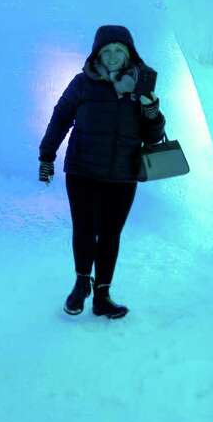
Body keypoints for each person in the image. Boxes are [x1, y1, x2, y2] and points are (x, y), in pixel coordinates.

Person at [38, 24, 165, 318]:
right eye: (106, 51)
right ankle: (81, 284)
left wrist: (150, 105)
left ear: (129, 53)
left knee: (110, 234)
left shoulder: (141, 87)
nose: (112, 56)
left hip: (123, 175)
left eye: (118, 50)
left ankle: (103, 296)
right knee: (84, 230)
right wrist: (47, 155)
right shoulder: (82, 83)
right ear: (96, 54)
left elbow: (155, 135)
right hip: (82, 170)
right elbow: (60, 118)